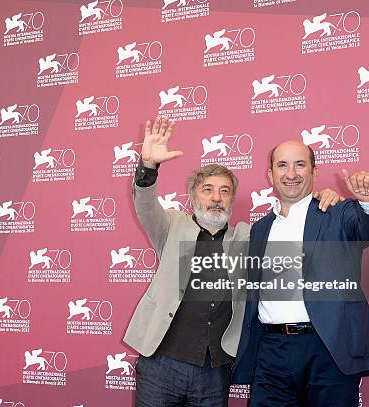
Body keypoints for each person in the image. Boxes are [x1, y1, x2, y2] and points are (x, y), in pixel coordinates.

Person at [124, 119, 341, 406]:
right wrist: (148, 166)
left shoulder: (249, 236)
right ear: (193, 196)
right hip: (161, 362)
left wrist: (319, 199)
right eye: (208, 189)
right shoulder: (171, 226)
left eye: (225, 191)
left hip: (215, 369)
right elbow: (145, 204)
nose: (216, 198)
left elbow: (292, 225)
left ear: (232, 199)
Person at [232, 140, 369, 406]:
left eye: (300, 164)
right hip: (271, 351)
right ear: (270, 174)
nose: (291, 173)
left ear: (314, 172)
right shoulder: (260, 229)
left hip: (328, 348)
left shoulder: (339, 212)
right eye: (282, 165)